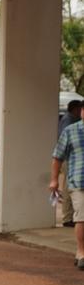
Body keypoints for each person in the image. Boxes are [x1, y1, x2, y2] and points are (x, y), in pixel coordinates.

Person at [50, 104, 84, 270]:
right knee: (81, 217)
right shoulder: (70, 130)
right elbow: (57, 156)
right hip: (79, 182)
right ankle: (81, 252)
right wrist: (54, 180)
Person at [58, 100, 82, 227]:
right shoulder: (69, 121)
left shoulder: (70, 119)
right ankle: (67, 217)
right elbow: (64, 143)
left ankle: (69, 216)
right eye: (80, 109)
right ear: (75, 109)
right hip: (68, 158)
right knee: (68, 186)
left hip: (69, 158)